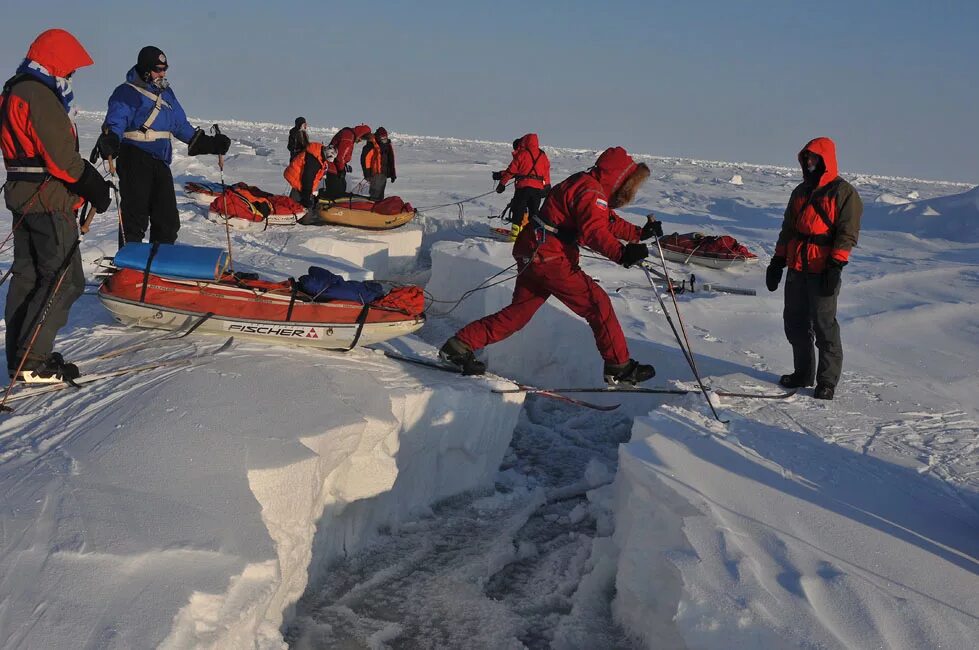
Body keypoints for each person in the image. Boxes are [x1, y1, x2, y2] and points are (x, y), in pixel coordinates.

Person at [440, 147, 663, 385]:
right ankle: (619, 367)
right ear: (621, 179)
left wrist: (639, 234)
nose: (631, 192)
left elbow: (604, 220)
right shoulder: (591, 192)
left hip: (535, 251)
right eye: (631, 186)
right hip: (549, 258)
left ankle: (458, 346)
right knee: (598, 305)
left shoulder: (585, 183)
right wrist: (622, 254)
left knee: (517, 315)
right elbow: (594, 231)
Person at [1, 29, 112, 382]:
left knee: (28, 277)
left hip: (23, 195)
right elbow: (62, 159)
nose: (72, 75)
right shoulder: (39, 94)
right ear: (56, 62)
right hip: (47, 199)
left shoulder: (14, 89)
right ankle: (33, 362)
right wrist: (94, 185)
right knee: (66, 279)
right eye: (70, 68)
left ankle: (20, 359)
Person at [97, 46, 231, 244]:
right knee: (135, 217)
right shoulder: (126, 92)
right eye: (158, 69)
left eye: (164, 69)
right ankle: (129, 268)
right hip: (134, 157)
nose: (163, 73)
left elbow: (180, 125)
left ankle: (158, 267)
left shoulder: (166, 94)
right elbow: (117, 121)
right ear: (145, 70)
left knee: (167, 220)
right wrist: (112, 139)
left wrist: (210, 144)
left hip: (159, 160)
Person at [766, 137, 862, 400]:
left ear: (825, 159)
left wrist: (835, 265)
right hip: (797, 267)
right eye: (806, 158)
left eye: (814, 158)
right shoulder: (799, 192)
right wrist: (777, 261)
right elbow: (788, 229)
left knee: (824, 326)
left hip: (823, 270)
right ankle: (803, 374)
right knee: (795, 323)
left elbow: (848, 233)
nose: (809, 162)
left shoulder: (844, 193)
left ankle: (827, 381)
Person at [493, 133, 551, 239]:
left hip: (523, 188)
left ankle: (515, 234)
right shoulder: (542, 155)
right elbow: (546, 172)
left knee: (518, 209)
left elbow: (511, 171)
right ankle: (534, 235)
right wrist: (547, 185)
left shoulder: (522, 154)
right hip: (537, 189)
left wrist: (502, 184)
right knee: (534, 213)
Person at [320, 124, 371, 199]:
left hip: (333, 166)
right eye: (361, 138)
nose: (360, 141)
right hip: (334, 168)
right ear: (360, 134)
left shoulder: (348, 133)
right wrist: (341, 169)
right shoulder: (348, 137)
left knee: (338, 190)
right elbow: (340, 157)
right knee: (336, 193)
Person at [284, 141, 336, 208]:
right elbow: (307, 178)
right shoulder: (314, 161)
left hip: (299, 178)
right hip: (299, 179)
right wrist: (306, 195)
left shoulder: (318, 152)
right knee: (296, 205)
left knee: (298, 199)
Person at [360, 127, 396, 200]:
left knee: (380, 196)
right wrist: (367, 174)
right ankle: (372, 209)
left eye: (385, 138)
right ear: (378, 138)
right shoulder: (371, 146)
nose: (384, 140)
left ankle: (378, 208)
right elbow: (365, 161)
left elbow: (391, 160)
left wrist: (393, 174)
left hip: (384, 174)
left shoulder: (388, 146)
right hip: (375, 174)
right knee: (375, 196)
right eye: (382, 138)